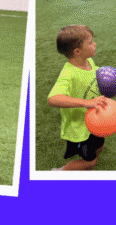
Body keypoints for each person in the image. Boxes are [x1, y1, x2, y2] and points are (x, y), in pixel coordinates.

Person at [47, 25, 109, 170]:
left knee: (99, 147)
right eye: (90, 43)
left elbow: (95, 74)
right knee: (90, 161)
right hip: (79, 128)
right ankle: (58, 173)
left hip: (95, 121)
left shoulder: (88, 62)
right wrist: (86, 103)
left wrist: (111, 82)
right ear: (77, 51)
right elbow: (53, 98)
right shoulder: (68, 74)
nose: (95, 44)